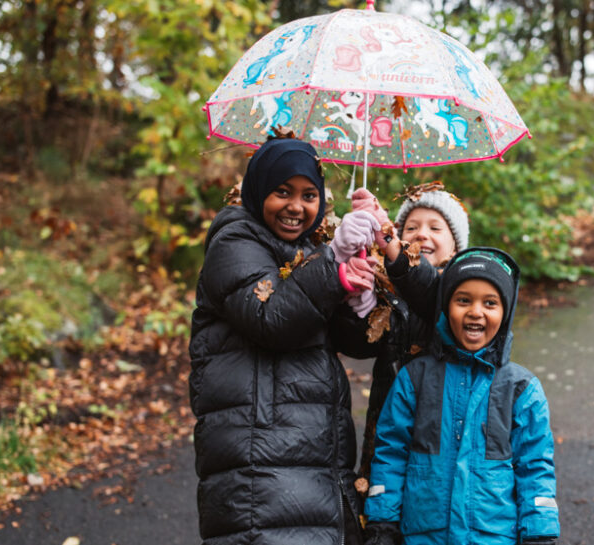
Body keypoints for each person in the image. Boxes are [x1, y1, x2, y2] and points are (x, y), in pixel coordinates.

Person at [188, 135, 381, 545]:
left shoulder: (307, 249)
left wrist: (361, 298)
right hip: (259, 454)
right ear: (258, 190)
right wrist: (333, 263)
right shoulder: (234, 242)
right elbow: (271, 317)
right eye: (282, 192)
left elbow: (354, 344)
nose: (297, 206)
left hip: (314, 450)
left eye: (309, 195)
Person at [362, 247, 560, 545]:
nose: (475, 312)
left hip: (492, 537)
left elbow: (535, 465)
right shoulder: (415, 378)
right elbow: (391, 452)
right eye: (463, 300)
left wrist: (539, 532)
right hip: (423, 535)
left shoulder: (521, 389)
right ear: (446, 306)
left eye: (490, 303)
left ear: (505, 313)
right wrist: (382, 521)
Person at [346, 184, 471, 483]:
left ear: (455, 246)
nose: (422, 234)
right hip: (388, 426)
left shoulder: (458, 289)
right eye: (411, 227)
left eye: (435, 227)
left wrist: (389, 237)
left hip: (439, 431)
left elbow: (428, 290)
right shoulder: (392, 287)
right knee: (381, 503)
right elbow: (358, 345)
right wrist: (354, 295)